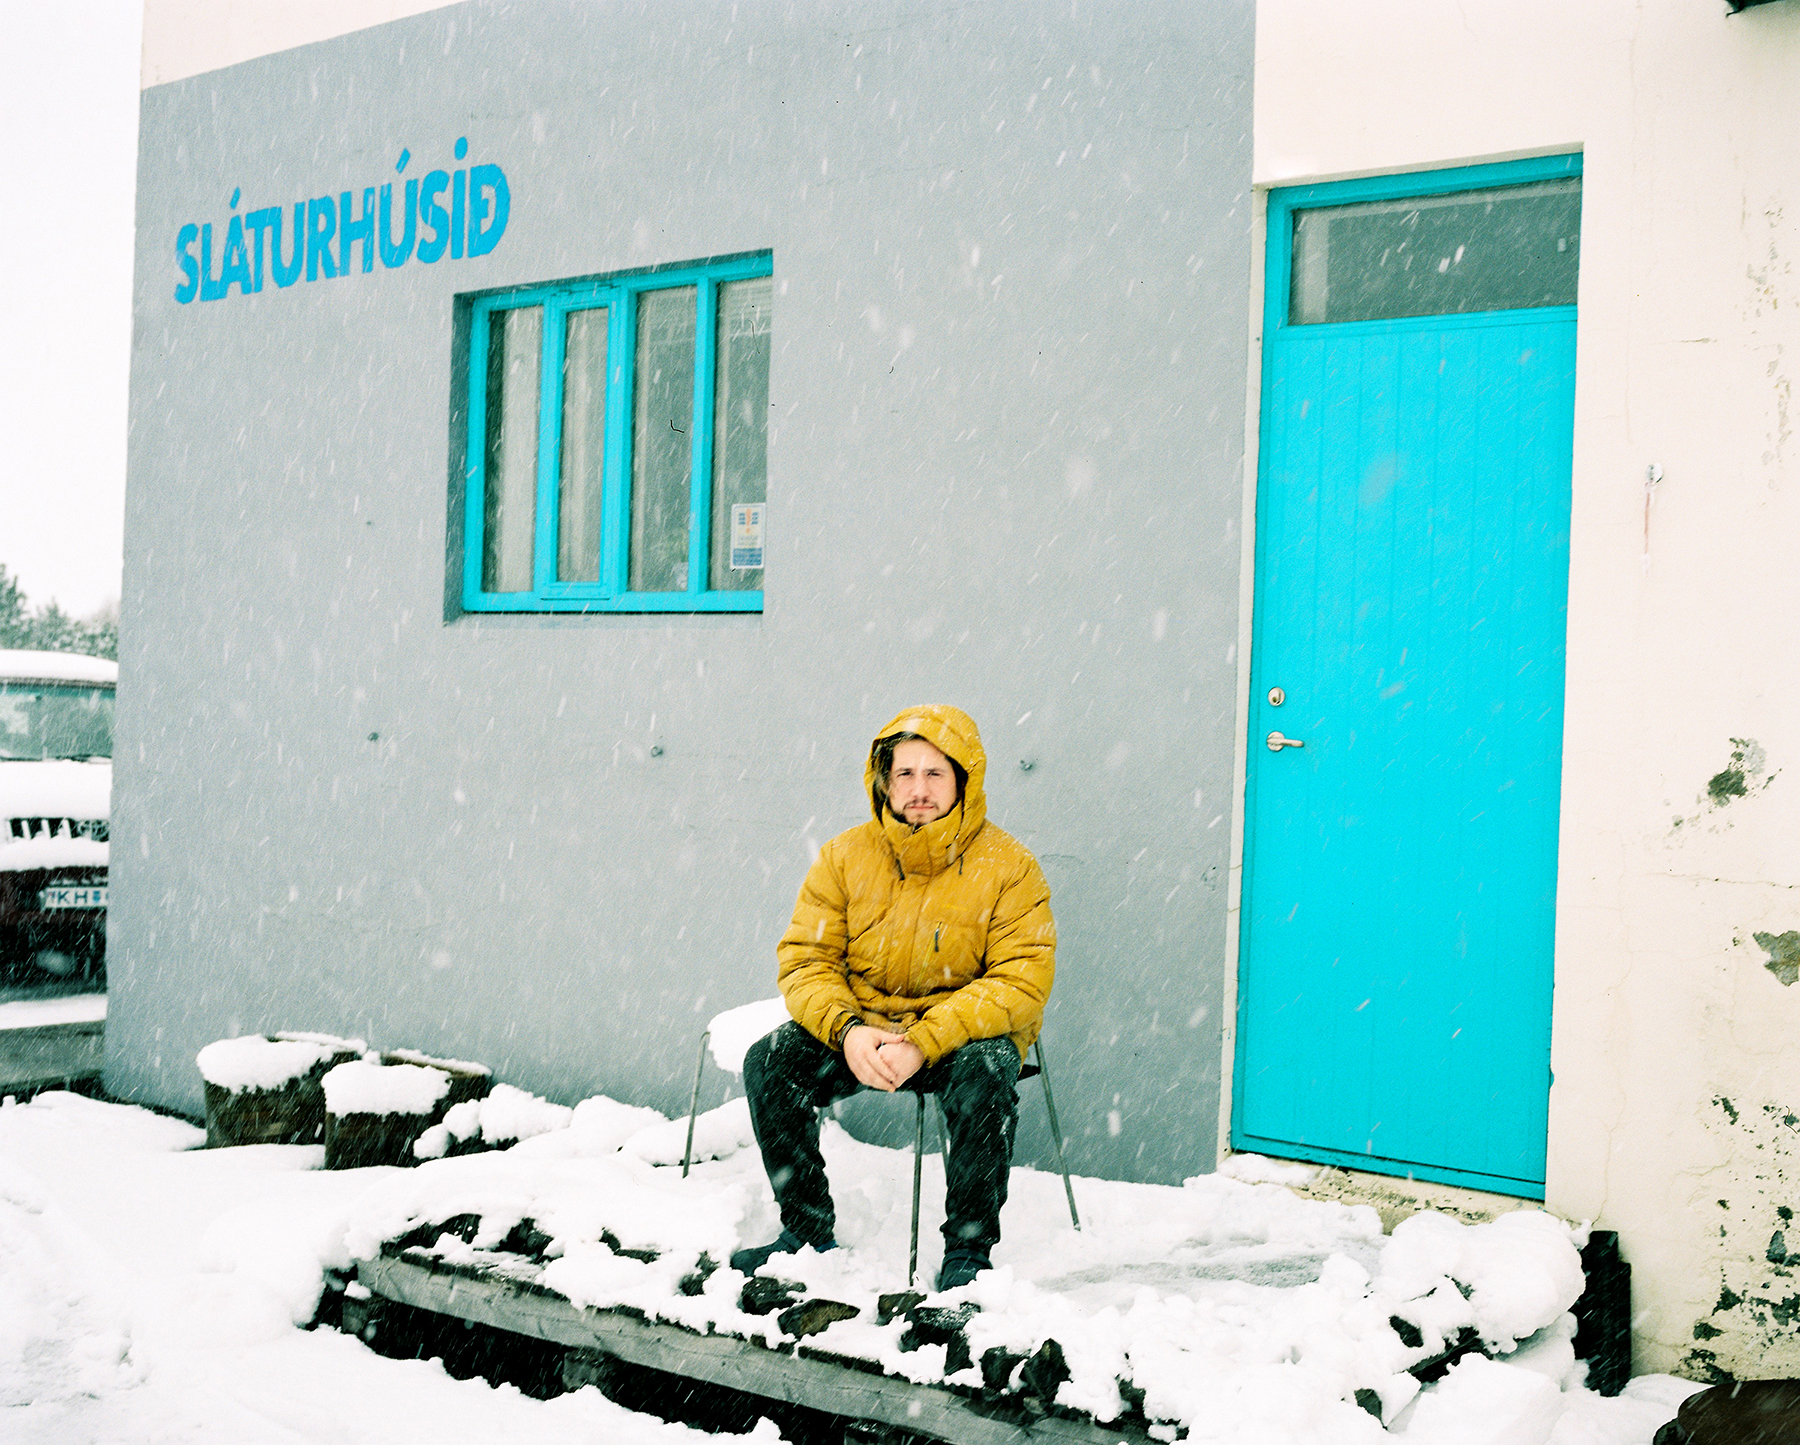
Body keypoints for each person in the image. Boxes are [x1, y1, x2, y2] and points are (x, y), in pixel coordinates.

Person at [730, 704, 1056, 1291]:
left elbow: (1021, 982)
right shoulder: (843, 857)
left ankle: (968, 1252)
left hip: (959, 1038)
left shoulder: (1010, 868)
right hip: (864, 1032)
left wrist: (926, 1039)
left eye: (935, 774)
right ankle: (805, 1233)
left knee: (988, 1069)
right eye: (904, 774)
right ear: (884, 781)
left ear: (963, 779)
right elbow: (806, 960)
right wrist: (848, 1031)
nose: (919, 790)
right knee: (771, 1061)